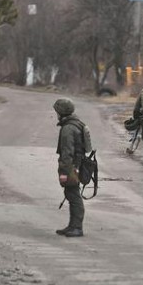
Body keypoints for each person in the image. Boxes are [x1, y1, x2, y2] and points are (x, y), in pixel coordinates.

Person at [53, 98, 87, 238]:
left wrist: (64, 172)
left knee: (73, 196)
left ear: (61, 112)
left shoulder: (68, 128)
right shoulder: (76, 124)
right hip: (76, 165)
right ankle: (72, 226)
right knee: (71, 194)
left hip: (71, 167)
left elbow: (67, 153)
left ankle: (77, 228)